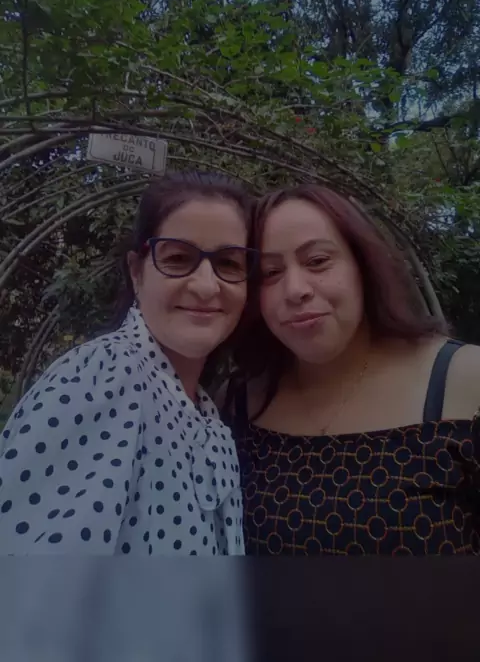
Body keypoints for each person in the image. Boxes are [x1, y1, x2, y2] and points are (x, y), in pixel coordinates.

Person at [0, 170, 258, 555]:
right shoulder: (102, 377)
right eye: (178, 258)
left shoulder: (207, 413)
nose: (207, 285)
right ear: (137, 272)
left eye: (229, 263)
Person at [224, 183, 480, 555]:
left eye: (317, 261)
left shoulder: (463, 380)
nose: (295, 289)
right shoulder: (235, 403)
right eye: (270, 272)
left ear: (362, 265)